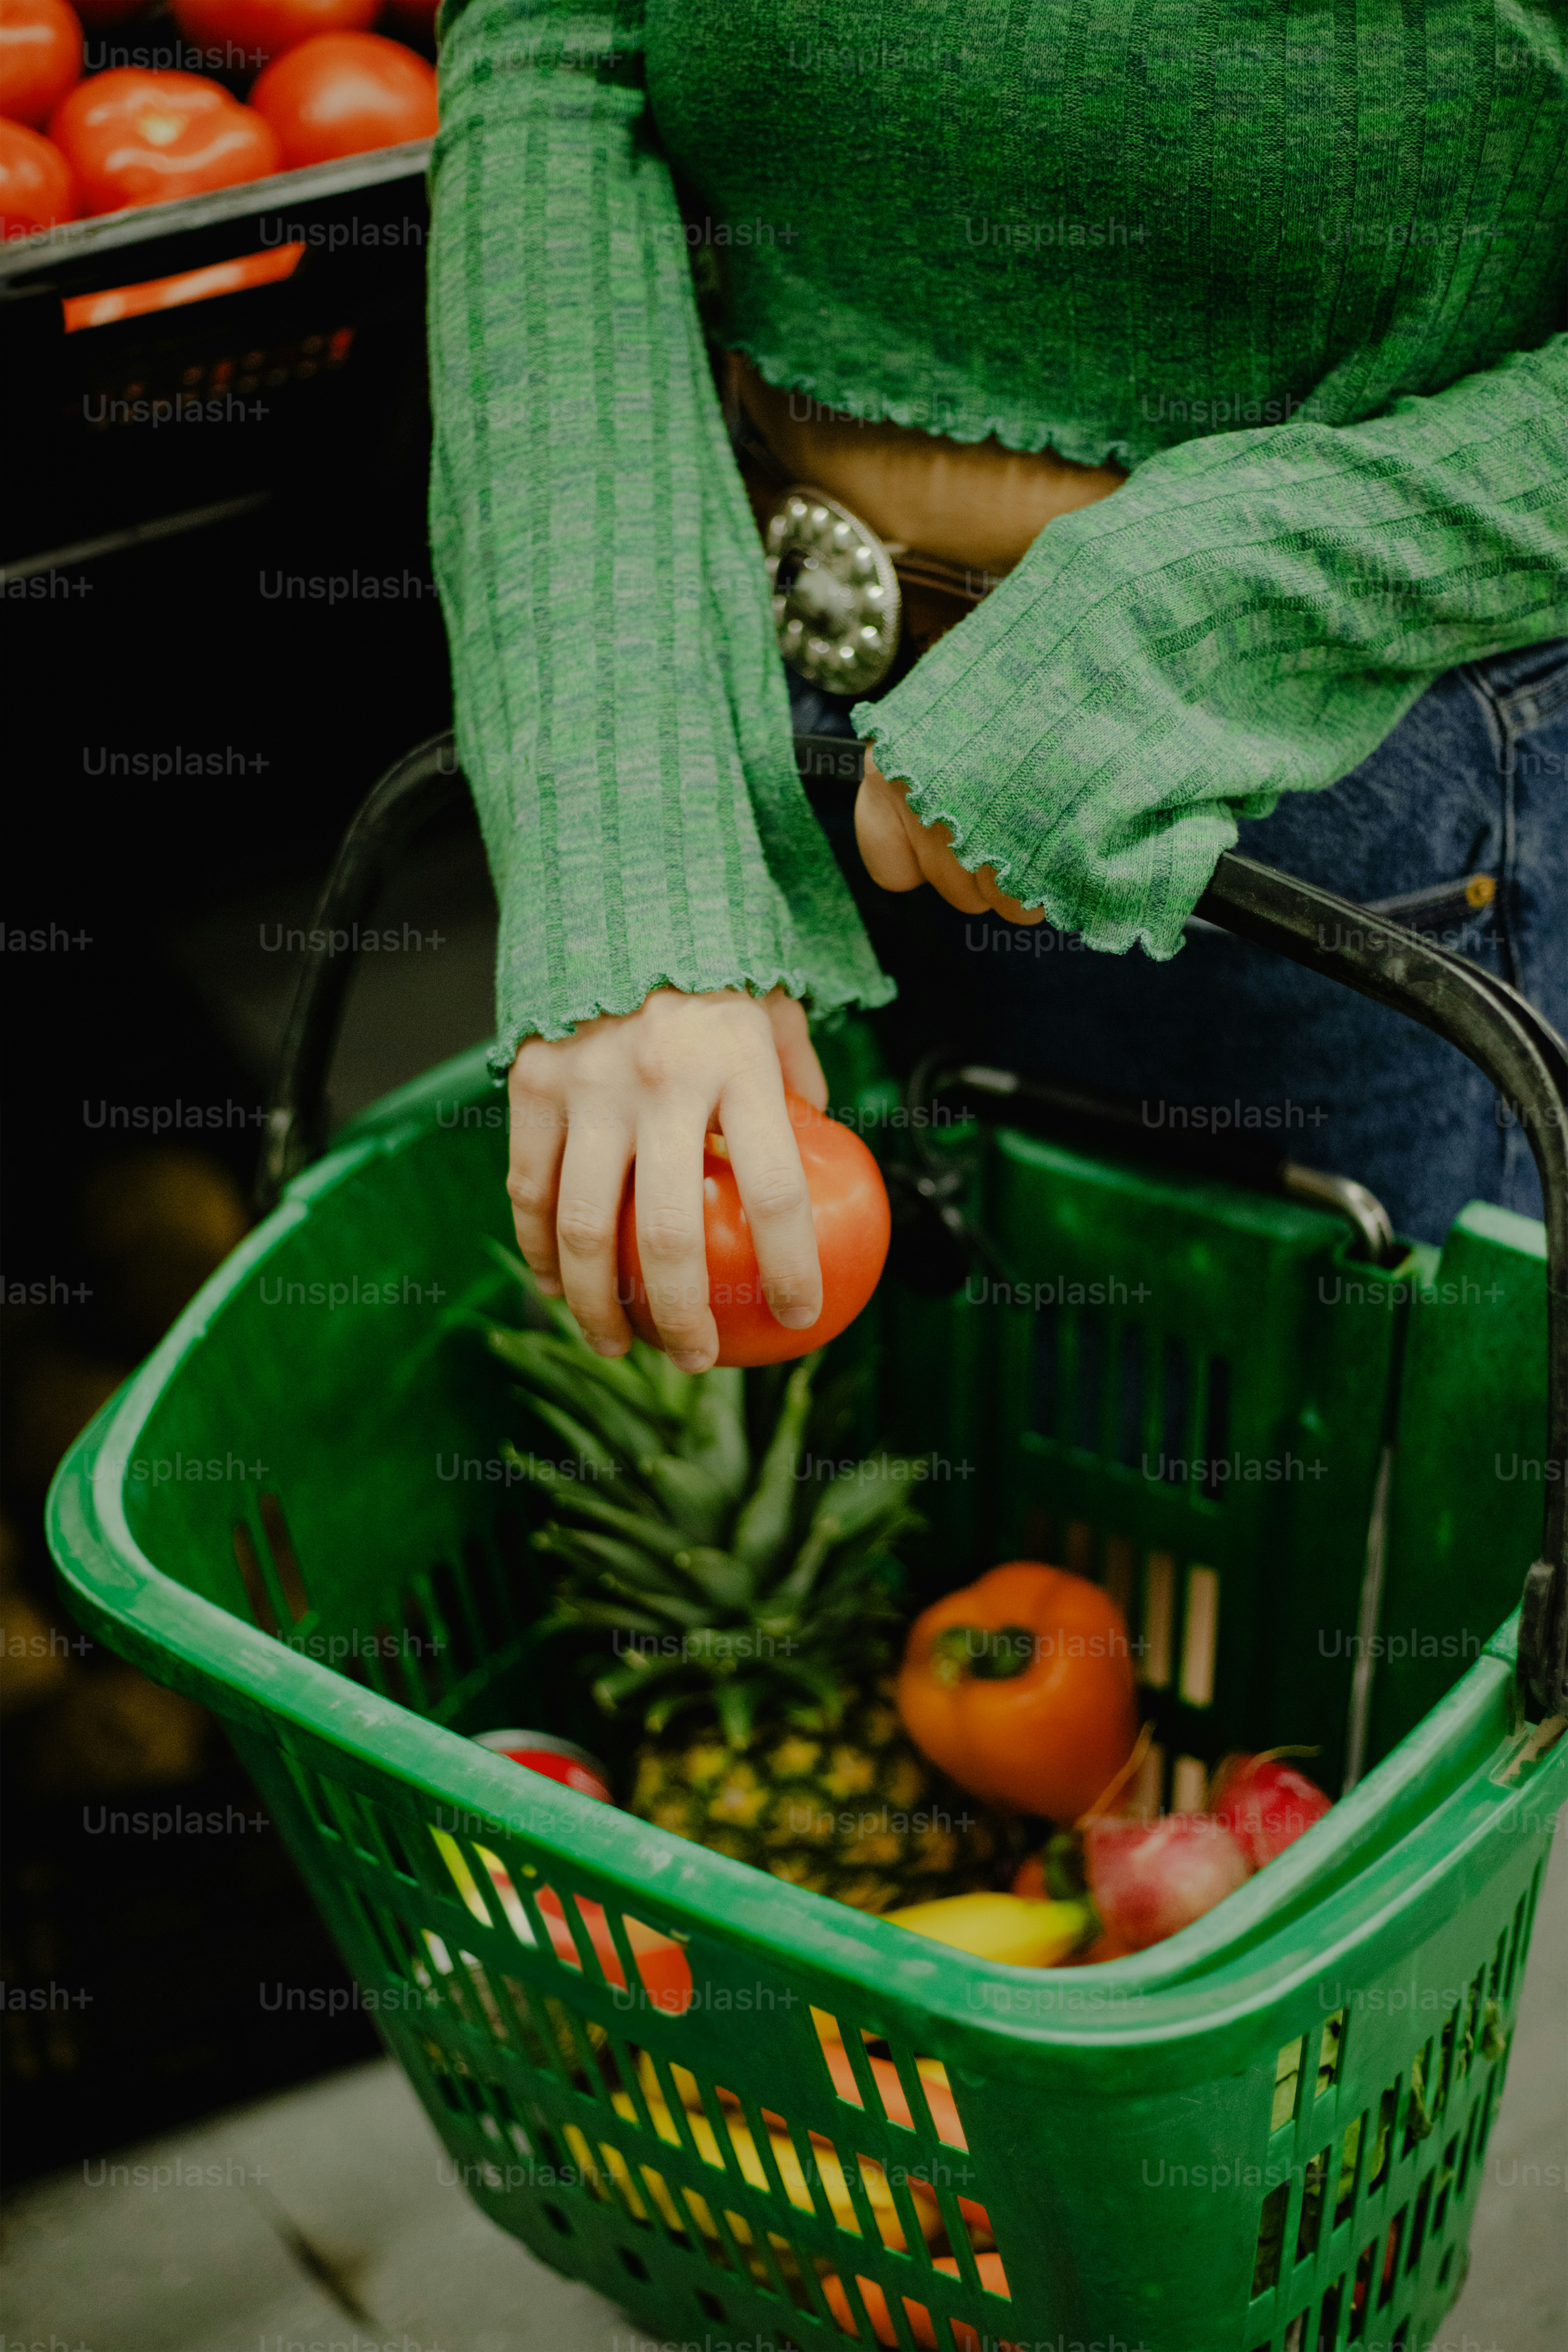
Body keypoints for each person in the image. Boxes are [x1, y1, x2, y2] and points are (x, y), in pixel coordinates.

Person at [427, 1, 1568, 1372]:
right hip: (746, 704)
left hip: (1329, 782)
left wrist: (1191, 612)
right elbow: (550, 47)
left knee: (1308, 1516)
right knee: (903, 1487)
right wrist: (625, 812)